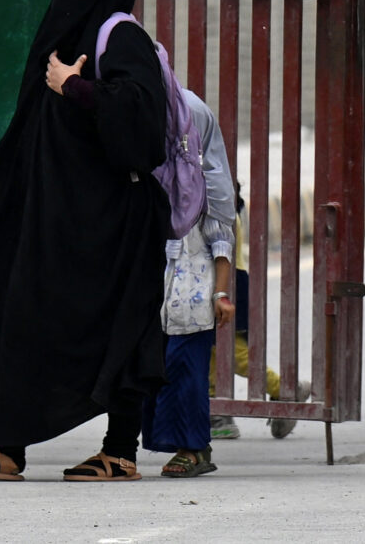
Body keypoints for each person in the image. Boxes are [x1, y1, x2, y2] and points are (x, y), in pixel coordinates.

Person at [0, 0, 172, 483]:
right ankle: (9, 448)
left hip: (115, 220)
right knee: (27, 316)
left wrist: (76, 87)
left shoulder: (120, 37)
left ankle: (119, 452)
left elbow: (143, 120)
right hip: (57, 220)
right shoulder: (56, 35)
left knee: (120, 330)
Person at [142, 84, 238, 477]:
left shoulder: (210, 187)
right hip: (161, 297)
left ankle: (195, 448)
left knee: (188, 372)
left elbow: (221, 238)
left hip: (196, 297)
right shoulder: (158, 179)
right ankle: (177, 446)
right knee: (161, 369)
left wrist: (221, 292)